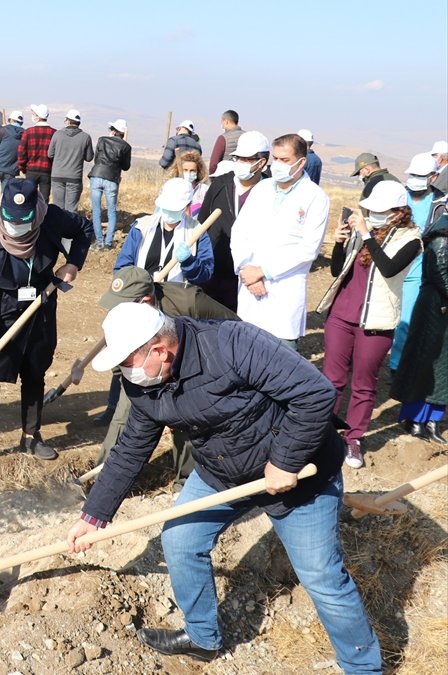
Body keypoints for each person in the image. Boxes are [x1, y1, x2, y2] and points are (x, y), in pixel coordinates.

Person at [67, 302, 381, 673]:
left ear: (160, 350)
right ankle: (202, 637)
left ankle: (363, 667)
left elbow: (315, 393)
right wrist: (95, 514)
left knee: (321, 577)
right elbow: (132, 447)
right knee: (181, 541)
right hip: (223, 473)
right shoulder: (143, 384)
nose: (125, 373)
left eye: (127, 363)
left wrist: (285, 460)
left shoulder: (231, 344)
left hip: (299, 475)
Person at [0, 177, 88, 469]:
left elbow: (84, 228)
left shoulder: (52, 218)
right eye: (11, 223)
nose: (16, 229)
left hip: (40, 306)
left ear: (37, 214)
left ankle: (31, 436)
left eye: (24, 223)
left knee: (34, 369)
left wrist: (74, 263)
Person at [93, 267, 239, 485]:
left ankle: (188, 480)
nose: (115, 311)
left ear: (146, 300)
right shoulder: (120, 314)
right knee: (124, 417)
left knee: (189, 421)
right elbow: (117, 352)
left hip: (192, 367)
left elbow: (233, 328)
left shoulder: (188, 301)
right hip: (140, 365)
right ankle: (102, 479)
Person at [317, 181, 422, 467]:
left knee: (363, 384)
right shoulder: (366, 233)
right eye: (370, 209)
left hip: (376, 321)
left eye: (379, 210)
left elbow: (389, 269)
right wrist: (340, 243)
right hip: (341, 314)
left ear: (397, 211)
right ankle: (322, 434)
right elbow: (337, 270)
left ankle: (354, 439)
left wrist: (365, 235)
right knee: (332, 380)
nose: (372, 214)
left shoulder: (411, 239)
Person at [230, 133, 329, 347]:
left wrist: (263, 271)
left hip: (283, 289)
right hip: (249, 284)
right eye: (275, 158)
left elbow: (308, 249)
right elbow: (240, 231)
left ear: (301, 162)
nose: (277, 165)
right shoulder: (262, 189)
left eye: (285, 160)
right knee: (244, 353)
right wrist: (247, 270)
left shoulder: (315, 197)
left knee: (280, 359)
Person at [197, 130, 270, 312]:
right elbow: (202, 223)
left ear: (262, 162)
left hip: (248, 276)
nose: (241, 163)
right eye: (238, 158)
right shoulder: (220, 184)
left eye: (247, 159)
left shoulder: (270, 191)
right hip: (214, 270)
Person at [391, 212, 448, 444]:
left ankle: (433, 419)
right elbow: (442, 275)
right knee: (425, 365)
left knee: (443, 369)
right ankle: (415, 418)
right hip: (434, 310)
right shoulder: (441, 239)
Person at [390, 152, 448, 372]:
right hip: (391, 262)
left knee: (405, 320)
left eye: (420, 175)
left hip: (418, 267)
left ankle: (396, 366)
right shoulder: (398, 197)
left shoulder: (440, 203)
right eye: (412, 174)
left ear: (433, 176)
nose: (414, 179)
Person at [116, 178, 213, 285]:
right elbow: (122, 267)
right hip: (141, 295)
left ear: (188, 205)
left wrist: (189, 262)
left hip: (176, 298)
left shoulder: (197, 232)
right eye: (166, 207)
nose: (169, 212)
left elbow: (205, 274)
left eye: (174, 209)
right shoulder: (141, 227)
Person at [88, 119, 132, 249]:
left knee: (96, 210)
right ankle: (108, 244)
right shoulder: (126, 146)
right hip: (112, 179)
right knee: (112, 212)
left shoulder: (102, 140)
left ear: (113, 131)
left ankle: (99, 242)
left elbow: (96, 159)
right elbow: (126, 167)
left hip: (96, 175)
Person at [47, 109, 93, 213]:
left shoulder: (57, 134)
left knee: (57, 209)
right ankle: (70, 229)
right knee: (71, 210)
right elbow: (89, 157)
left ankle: (58, 229)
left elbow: (50, 154)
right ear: (79, 123)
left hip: (57, 176)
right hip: (74, 177)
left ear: (67, 121)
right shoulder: (86, 137)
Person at [17, 104, 55, 203]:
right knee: (44, 201)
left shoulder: (29, 132)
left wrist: (22, 168)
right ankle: (43, 218)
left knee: (28, 198)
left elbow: (21, 152)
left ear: (38, 116)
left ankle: (30, 218)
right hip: (47, 171)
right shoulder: (54, 133)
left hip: (31, 170)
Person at [166, 150, 208, 215]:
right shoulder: (171, 187)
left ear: (198, 172)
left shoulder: (204, 190)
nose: (188, 173)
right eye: (185, 170)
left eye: (192, 171)